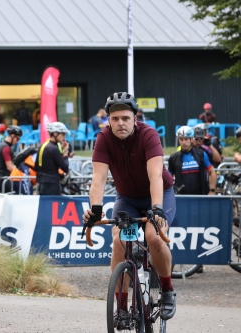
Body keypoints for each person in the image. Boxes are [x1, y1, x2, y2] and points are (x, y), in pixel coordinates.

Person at [82, 92, 176, 321]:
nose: (120, 123)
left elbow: (155, 177)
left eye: (125, 118)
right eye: (114, 119)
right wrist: (95, 211)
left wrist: (157, 209)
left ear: (135, 118)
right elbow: (99, 180)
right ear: (108, 120)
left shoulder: (149, 135)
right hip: (128, 199)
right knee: (119, 241)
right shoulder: (103, 139)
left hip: (159, 193)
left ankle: (166, 290)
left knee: (154, 237)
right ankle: (122, 307)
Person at [168, 126, 217, 195]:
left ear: (191, 139)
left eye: (186, 139)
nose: (184, 142)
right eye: (181, 139)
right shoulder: (173, 158)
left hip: (200, 195)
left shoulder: (201, 154)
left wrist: (212, 190)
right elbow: (168, 178)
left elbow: (212, 172)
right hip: (181, 197)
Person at [34, 122, 70, 195]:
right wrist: (65, 153)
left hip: (41, 183)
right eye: (63, 134)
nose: (64, 137)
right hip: (51, 185)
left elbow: (36, 166)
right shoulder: (53, 148)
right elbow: (65, 167)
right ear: (55, 133)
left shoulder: (43, 145)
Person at [0, 126, 23, 193]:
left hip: (2, 178)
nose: (17, 141)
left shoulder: (3, 145)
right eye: (17, 139)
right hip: (4, 179)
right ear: (12, 135)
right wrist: (23, 175)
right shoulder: (6, 147)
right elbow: (9, 166)